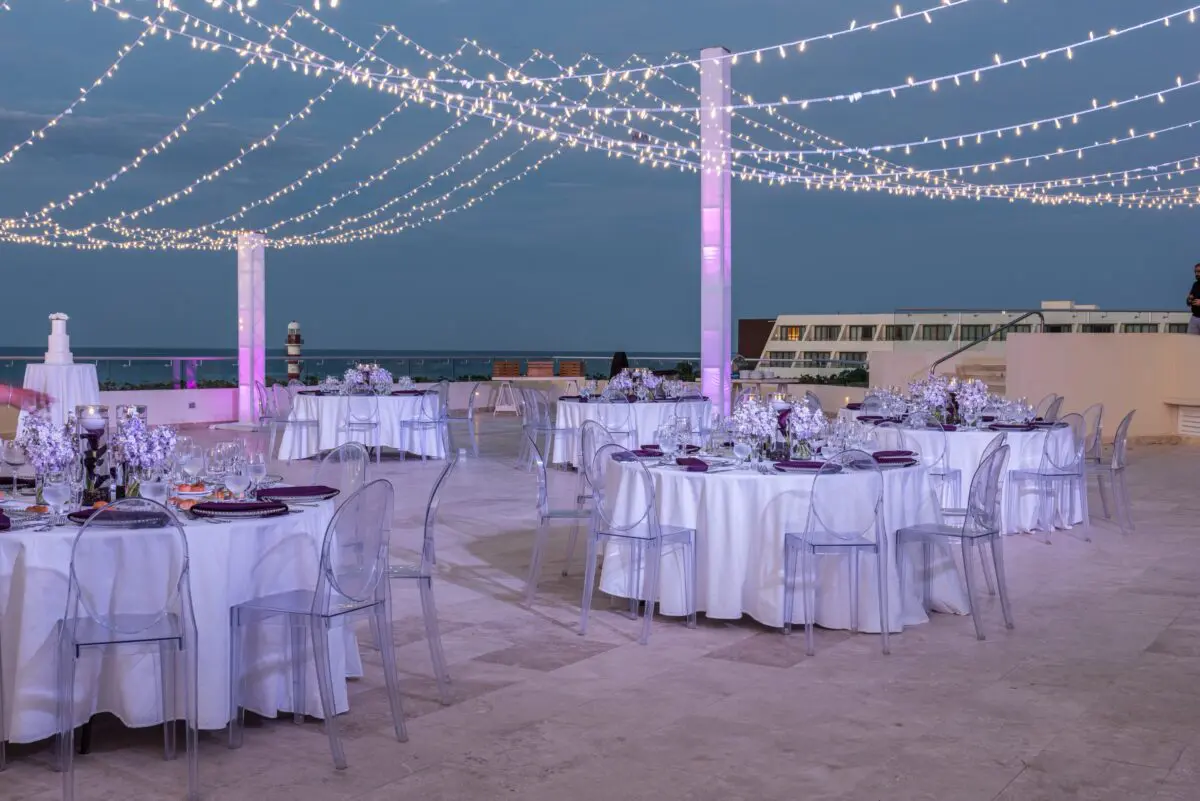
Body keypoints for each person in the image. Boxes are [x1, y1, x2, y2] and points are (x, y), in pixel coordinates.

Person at [1188, 263, 1200, 334]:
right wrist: (1189, 300)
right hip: (1195, 317)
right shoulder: (1195, 285)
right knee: (1190, 342)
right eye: (1195, 272)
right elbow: (1188, 301)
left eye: (1199, 271)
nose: (1196, 274)